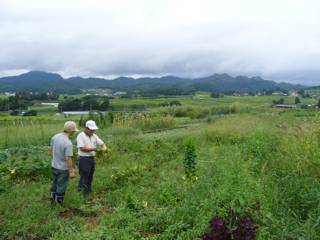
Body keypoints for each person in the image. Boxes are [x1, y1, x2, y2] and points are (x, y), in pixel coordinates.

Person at [50, 121, 78, 204]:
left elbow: (51, 150)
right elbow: (68, 158)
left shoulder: (55, 137)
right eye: (74, 131)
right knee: (61, 186)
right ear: (71, 131)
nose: (74, 132)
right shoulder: (68, 143)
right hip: (63, 169)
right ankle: (58, 204)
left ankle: (52, 199)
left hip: (54, 166)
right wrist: (71, 171)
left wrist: (55, 159)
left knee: (54, 183)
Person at [77, 120, 107, 194]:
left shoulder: (94, 136)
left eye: (93, 130)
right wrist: (94, 149)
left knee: (90, 175)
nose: (92, 131)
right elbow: (82, 148)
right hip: (83, 159)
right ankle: (81, 192)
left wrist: (104, 148)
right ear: (86, 128)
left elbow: (102, 143)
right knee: (84, 176)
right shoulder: (81, 136)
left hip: (91, 159)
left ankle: (88, 191)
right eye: (91, 130)